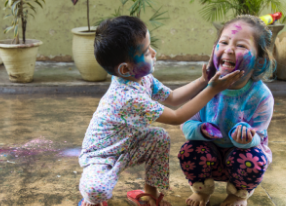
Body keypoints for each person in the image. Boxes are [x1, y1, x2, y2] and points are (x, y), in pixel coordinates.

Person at [78, 16, 244, 206]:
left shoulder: (143, 78)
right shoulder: (128, 97)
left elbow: (173, 98)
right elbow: (176, 117)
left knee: (159, 137)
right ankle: (89, 199)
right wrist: (213, 89)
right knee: (97, 191)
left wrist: (202, 82)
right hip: (103, 155)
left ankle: (150, 194)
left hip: (129, 144)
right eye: (147, 52)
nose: (154, 53)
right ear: (125, 69)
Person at [178, 15, 275, 206]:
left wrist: (247, 139)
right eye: (223, 42)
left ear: (259, 62)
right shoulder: (204, 87)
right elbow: (186, 124)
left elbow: (260, 137)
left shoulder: (261, 96)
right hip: (209, 153)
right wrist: (200, 130)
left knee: (255, 159)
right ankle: (202, 190)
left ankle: (238, 195)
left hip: (240, 159)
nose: (229, 49)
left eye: (241, 46)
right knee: (189, 151)